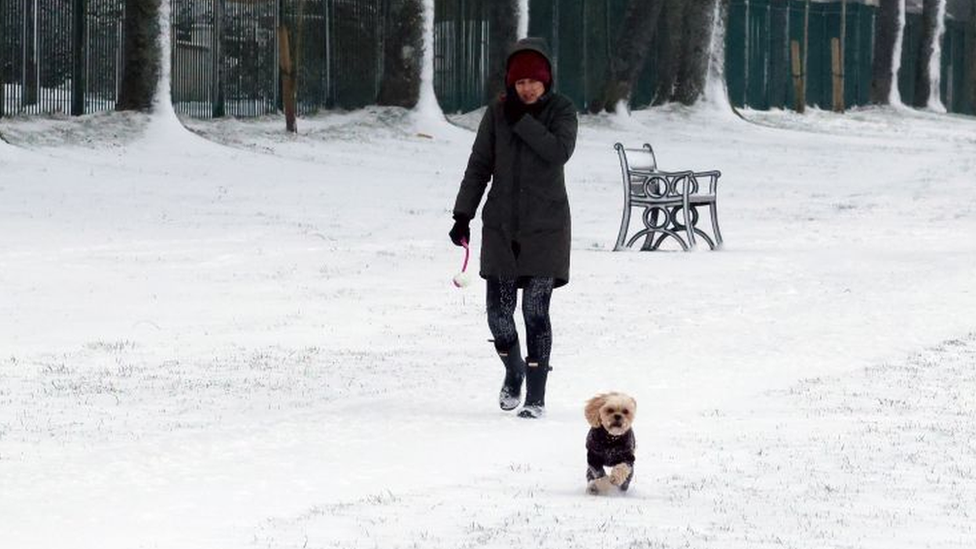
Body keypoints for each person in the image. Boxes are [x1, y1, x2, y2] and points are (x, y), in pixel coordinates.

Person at [449, 37, 578, 419]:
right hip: (502, 227)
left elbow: (558, 152)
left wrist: (520, 121)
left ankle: (536, 397)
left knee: (535, 311)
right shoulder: (495, 112)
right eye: (520, 82)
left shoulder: (562, 110)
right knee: (499, 316)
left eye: (534, 81)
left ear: (546, 80)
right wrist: (462, 215)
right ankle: (514, 372)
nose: (527, 88)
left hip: (547, 228)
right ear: (510, 82)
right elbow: (479, 165)